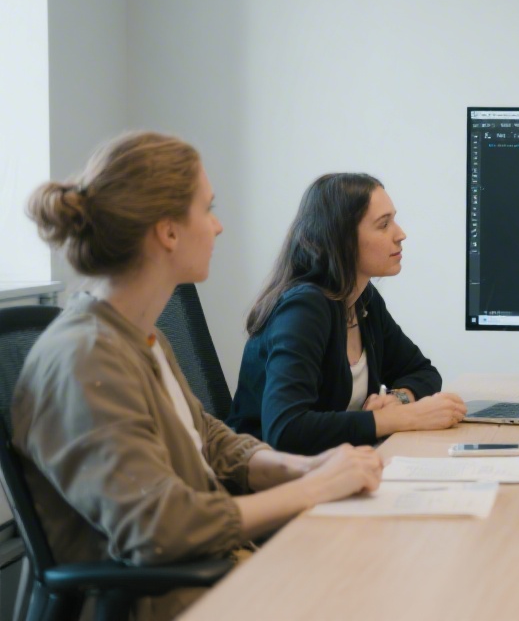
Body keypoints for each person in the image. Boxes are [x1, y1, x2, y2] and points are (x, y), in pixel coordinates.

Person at [17, 132, 383, 621]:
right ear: (167, 231)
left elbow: (208, 441)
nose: (218, 226)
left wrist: (304, 467)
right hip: (176, 600)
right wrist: (314, 490)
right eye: (207, 209)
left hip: (223, 572)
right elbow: (160, 527)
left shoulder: (138, 336)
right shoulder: (85, 359)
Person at [228, 173, 467, 455]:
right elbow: (285, 430)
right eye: (384, 224)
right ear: (342, 239)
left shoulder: (362, 299)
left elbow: (422, 372)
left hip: (337, 471)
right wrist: (399, 418)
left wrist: (399, 399)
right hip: (275, 485)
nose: (400, 234)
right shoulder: (303, 309)